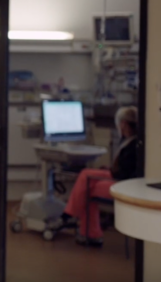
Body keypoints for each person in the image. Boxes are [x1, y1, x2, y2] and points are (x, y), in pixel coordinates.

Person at [59, 106, 139, 247]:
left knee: (86, 185)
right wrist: (109, 169)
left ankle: (76, 222)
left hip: (122, 184)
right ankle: (87, 231)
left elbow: (124, 173)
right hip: (120, 178)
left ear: (124, 124)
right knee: (86, 178)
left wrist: (111, 171)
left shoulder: (132, 146)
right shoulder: (133, 141)